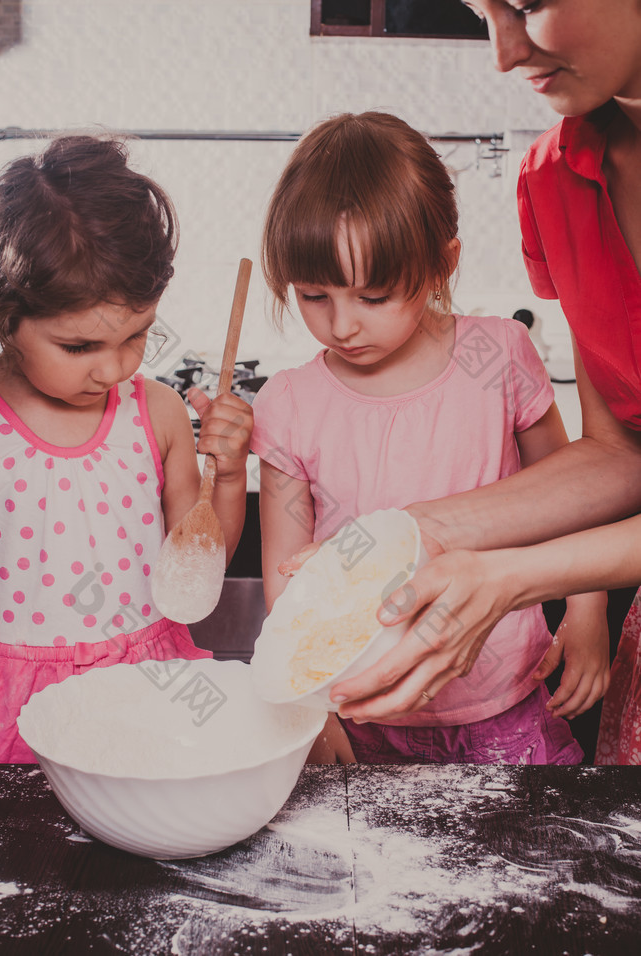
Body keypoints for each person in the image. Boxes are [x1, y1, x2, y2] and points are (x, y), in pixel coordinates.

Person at [298, 0, 641, 757]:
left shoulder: (494, 355)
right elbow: (620, 457)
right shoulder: (555, 182)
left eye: (525, 4)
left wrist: (514, 577)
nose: (502, 53)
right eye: (480, 10)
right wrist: (412, 535)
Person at [251, 110, 606, 765]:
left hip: (507, 701)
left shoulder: (500, 357)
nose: (343, 325)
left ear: (442, 264)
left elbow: (579, 498)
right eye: (314, 295)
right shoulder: (287, 404)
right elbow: (286, 582)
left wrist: (587, 616)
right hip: (362, 712)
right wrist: (308, 707)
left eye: (374, 296)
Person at [0, 135, 252, 762]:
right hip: (16, 713)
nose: (114, 369)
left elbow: (196, 569)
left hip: (156, 687)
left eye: (137, 335)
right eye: (79, 347)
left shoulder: (157, 412)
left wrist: (230, 472)